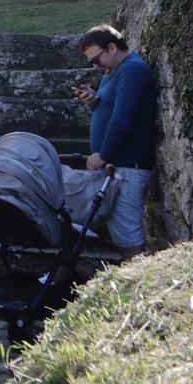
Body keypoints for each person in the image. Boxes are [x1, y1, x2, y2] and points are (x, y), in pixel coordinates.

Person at [65, 23, 158, 259]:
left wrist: (103, 155)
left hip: (127, 167)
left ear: (112, 47)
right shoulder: (112, 73)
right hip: (115, 167)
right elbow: (110, 108)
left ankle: (135, 290)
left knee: (129, 239)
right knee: (90, 227)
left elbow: (123, 118)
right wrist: (94, 100)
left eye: (96, 59)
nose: (95, 66)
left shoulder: (132, 70)